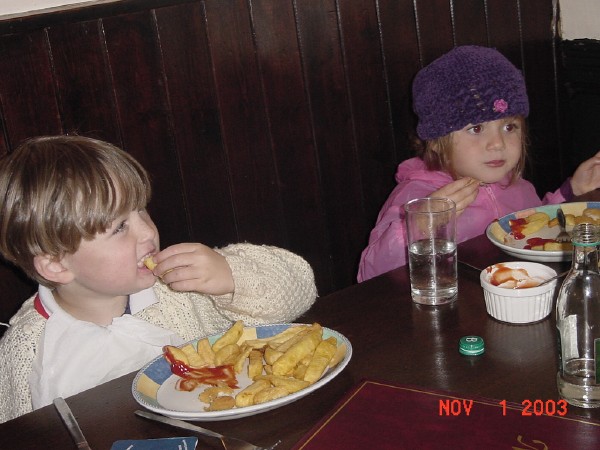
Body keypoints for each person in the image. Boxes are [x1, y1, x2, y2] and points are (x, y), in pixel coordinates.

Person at [0, 135, 317, 423]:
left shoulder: (179, 290)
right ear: (56, 266)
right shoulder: (26, 349)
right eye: (120, 227)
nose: (148, 232)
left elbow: (301, 287)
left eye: (141, 211)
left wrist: (231, 276)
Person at [358, 45, 600, 282]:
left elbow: (532, 229)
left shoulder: (518, 187)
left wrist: (570, 192)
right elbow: (371, 274)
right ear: (434, 140)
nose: (497, 143)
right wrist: (420, 225)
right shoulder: (416, 196)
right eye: (476, 128)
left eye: (509, 127)